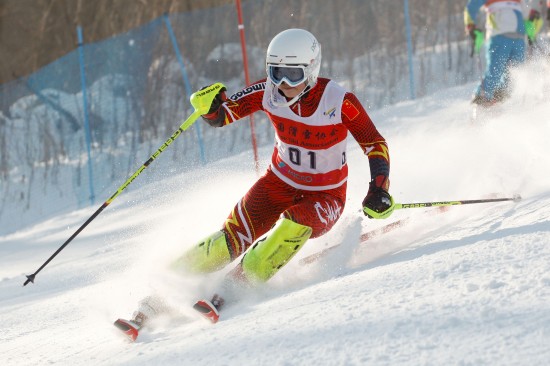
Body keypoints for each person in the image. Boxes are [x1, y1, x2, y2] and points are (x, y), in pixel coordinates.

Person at [115, 28, 394, 339]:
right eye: (275, 73)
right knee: (229, 238)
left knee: (293, 225)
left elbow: (374, 143)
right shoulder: (268, 92)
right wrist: (210, 106)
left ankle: (235, 285)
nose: (283, 84)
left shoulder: (339, 101)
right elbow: (225, 114)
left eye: (292, 74)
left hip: (325, 196)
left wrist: (379, 189)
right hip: (278, 184)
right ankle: (161, 292)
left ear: (312, 69)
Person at [464, 0, 536, 106]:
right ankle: (481, 101)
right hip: (499, 35)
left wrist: (531, 22)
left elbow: (527, 11)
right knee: (494, 72)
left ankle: (497, 102)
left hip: (519, 37)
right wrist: (471, 26)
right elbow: (471, 7)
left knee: (515, 76)